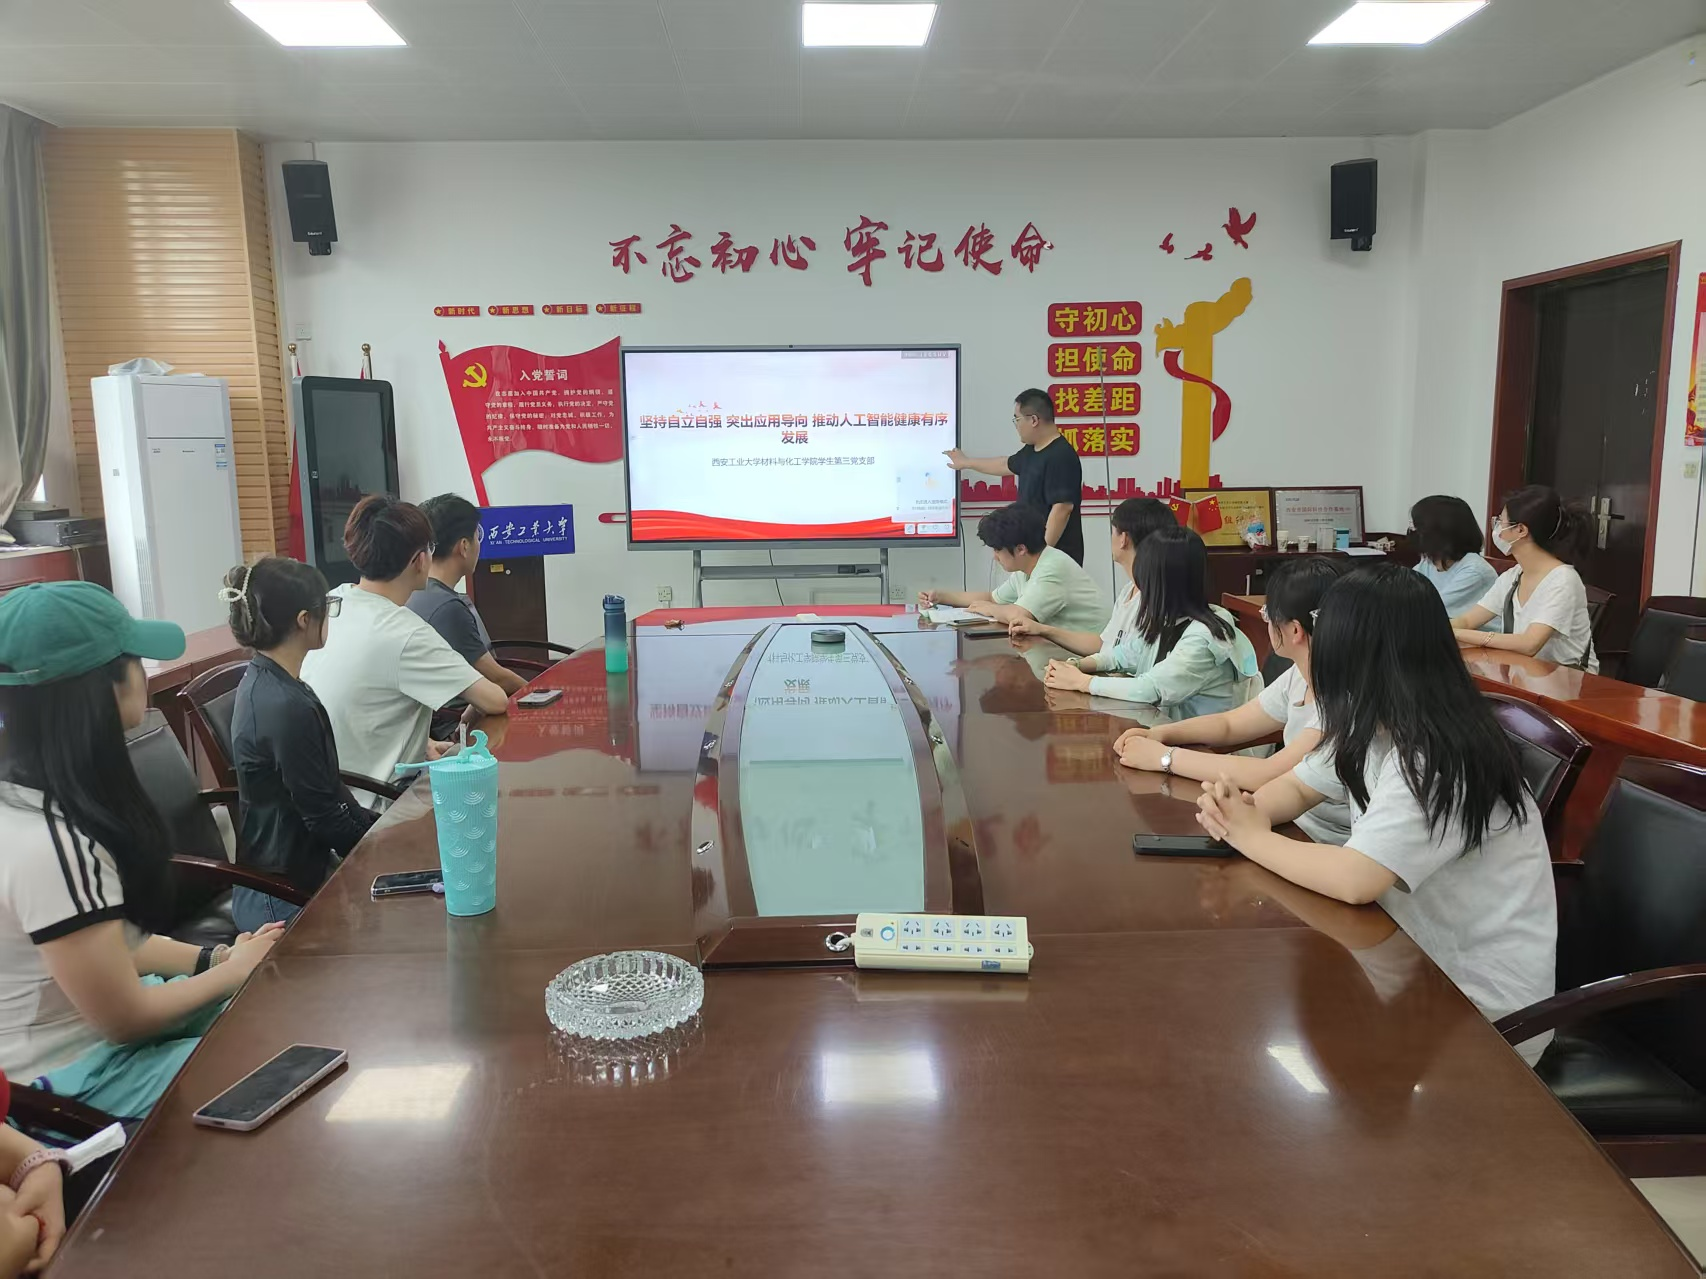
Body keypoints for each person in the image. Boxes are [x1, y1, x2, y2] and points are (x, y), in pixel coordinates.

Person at [1195, 563, 1556, 1050]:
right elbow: (1295, 790)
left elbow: (1356, 879)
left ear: (1359, 659)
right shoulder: (1373, 724)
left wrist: (1249, 835)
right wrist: (1245, 811)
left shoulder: (1439, 755)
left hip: (1480, 1016)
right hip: (1403, 966)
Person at [0, 583, 283, 1122]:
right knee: (274, 1061)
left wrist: (215, 959)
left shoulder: (33, 803)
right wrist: (233, 972)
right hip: (72, 1080)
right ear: (100, 688)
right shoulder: (50, 844)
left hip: (92, 1039)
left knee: (274, 1013)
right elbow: (124, 1019)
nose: (143, 672)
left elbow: (108, 946)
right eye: (133, 658)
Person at [1110, 557, 1353, 845]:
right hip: (1285, 819)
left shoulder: (1346, 698)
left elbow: (1268, 774)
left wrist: (1163, 758)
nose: (1266, 622)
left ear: (1295, 630)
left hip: (1327, 841)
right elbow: (1231, 723)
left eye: (1267, 614)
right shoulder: (1300, 675)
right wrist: (1161, 734)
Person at [301, 496, 509, 790]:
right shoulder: (405, 632)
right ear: (419, 560)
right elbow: (495, 700)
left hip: (322, 790)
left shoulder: (333, 601)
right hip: (377, 801)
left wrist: (423, 743)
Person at [221, 557, 377, 933]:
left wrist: (379, 831)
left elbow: (329, 792)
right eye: (328, 608)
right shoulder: (286, 705)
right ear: (305, 620)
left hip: (300, 870)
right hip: (278, 894)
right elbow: (324, 816)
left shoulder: (277, 683)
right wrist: (381, 849)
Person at [1043, 526, 1261, 717]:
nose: (1140, 591)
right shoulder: (1172, 620)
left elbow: (1151, 689)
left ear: (1159, 584)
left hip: (1202, 745)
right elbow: (1126, 654)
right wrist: (1077, 665)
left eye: (1144, 582)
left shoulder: (1204, 638)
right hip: (1169, 731)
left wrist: (1082, 682)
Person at [1449, 485, 1598, 672]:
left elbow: (1529, 644)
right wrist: (1436, 627)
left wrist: (1456, 634)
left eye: (1500, 521)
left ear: (1520, 530)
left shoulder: (1563, 580)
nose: (1497, 529)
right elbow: (1467, 621)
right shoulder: (1514, 575)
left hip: (1568, 679)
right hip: (1525, 673)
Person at [1008, 497, 1175, 658]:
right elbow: (1103, 644)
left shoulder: (1155, 598)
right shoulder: (1129, 590)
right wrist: (1044, 630)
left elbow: (1132, 663)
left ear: (1123, 539)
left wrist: (1079, 673)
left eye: (1113, 532)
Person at [943, 388, 1084, 563]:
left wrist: (1040, 556)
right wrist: (966, 462)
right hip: (1031, 556)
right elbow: (1005, 464)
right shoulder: (1032, 450)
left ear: (1033, 420)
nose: (1016, 426)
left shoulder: (1061, 455)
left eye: (1017, 419)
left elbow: (1062, 509)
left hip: (1053, 559)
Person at [408, 495, 528, 698]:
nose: (478, 544)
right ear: (464, 546)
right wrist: (542, 693)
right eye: (477, 536)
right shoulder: (448, 607)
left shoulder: (414, 592)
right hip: (462, 713)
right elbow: (497, 679)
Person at [917, 503, 1106, 632]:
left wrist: (991, 609)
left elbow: (1019, 616)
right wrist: (941, 596)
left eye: (997, 550)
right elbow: (992, 598)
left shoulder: (1052, 569)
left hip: (1093, 656)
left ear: (1021, 549)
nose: (995, 557)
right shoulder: (1029, 566)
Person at [1410, 494, 1498, 619]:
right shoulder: (1429, 563)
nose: (1413, 531)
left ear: (1440, 532)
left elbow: (1429, 607)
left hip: (1471, 631)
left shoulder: (1474, 570)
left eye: (1418, 526)